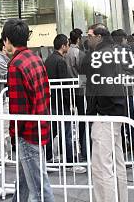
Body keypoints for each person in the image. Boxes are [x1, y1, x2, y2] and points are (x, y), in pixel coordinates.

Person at [3, 19, 54, 202]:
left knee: (39, 189)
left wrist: (13, 133)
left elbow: (18, 109)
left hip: (28, 132)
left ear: (7, 40)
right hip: (40, 126)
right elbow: (46, 93)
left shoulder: (15, 65)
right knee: (26, 179)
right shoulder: (36, 58)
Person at [82, 23, 128, 202]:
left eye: (90, 35)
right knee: (117, 164)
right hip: (115, 112)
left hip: (106, 115)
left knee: (102, 167)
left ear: (99, 36)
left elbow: (103, 87)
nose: (88, 38)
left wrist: (97, 111)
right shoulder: (113, 52)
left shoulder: (101, 56)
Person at [44, 34, 85, 172]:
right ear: (63, 46)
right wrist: (71, 103)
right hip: (61, 102)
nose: (68, 46)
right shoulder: (60, 61)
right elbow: (64, 84)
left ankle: (48, 156)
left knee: (53, 130)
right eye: (67, 44)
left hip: (52, 101)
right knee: (67, 132)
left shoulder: (48, 59)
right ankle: (69, 162)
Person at [66, 29, 87, 161]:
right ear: (79, 39)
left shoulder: (65, 52)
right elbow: (83, 72)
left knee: (68, 118)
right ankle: (82, 146)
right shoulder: (79, 53)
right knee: (81, 118)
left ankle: (70, 147)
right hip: (79, 89)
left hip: (67, 89)